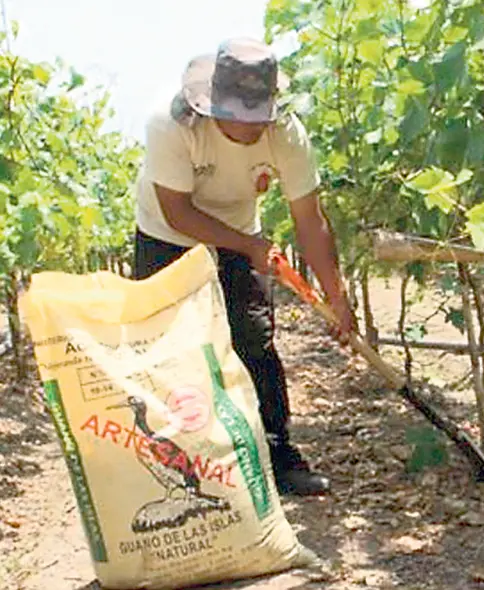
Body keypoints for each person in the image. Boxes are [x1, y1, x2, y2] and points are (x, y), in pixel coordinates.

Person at [130, 38, 356, 496]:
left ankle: (277, 454)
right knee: (167, 348)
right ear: (210, 103)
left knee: (253, 337)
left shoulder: (287, 134)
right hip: (165, 235)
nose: (250, 128)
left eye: (258, 117)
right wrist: (250, 245)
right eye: (236, 115)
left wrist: (338, 297)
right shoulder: (172, 123)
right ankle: (177, 466)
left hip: (238, 230)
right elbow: (177, 211)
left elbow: (309, 221)